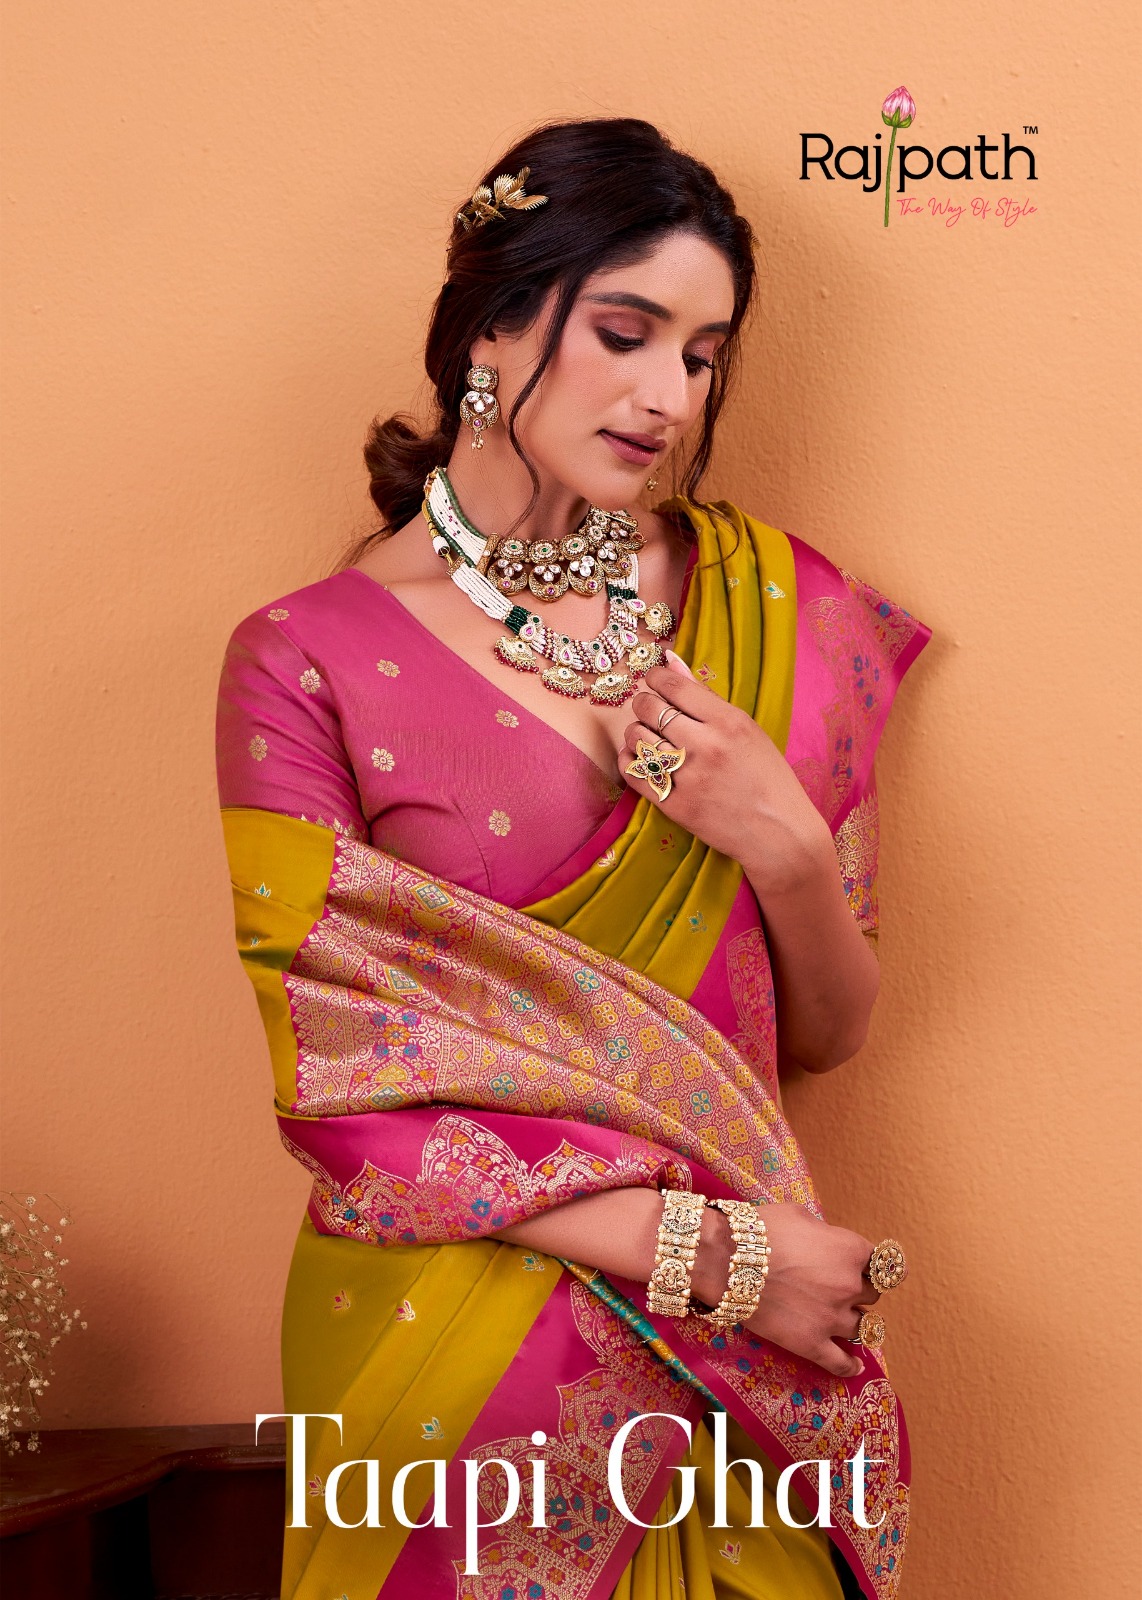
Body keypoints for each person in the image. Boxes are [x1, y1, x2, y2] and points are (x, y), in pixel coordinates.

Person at [215, 116, 930, 1600]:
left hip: (743, 1370)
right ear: (491, 322)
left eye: (703, 357)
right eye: (625, 332)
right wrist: (716, 1259)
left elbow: (832, 1029)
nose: (668, 395)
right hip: (458, 1359)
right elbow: (339, 1091)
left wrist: (785, 841)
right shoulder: (302, 661)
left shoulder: (781, 611)